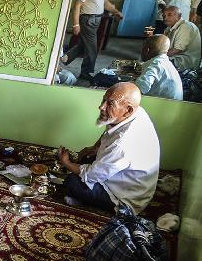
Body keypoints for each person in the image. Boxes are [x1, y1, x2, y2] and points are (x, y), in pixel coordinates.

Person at [56, 82, 160, 214]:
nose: (101, 107)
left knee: (71, 181)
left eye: (110, 103)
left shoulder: (123, 142)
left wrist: (66, 163)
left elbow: (92, 175)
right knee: (85, 157)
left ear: (128, 110)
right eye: (103, 100)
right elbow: (109, 129)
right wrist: (93, 148)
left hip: (124, 199)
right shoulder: (134, 112)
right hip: (123, 175)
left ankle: (87, 202)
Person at [63, 0, 123, 80]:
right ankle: (86, 73)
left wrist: (116, 11)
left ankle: (64, 58)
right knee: (92, 48)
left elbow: (105, 3)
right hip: (87, 21)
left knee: (83, 45)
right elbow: (77, 6)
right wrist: (76, 24)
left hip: (96, 20)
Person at [135, 34, 183, 101]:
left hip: (161, 107)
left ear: (147, 50)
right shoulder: (166, 63)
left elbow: (140, 88)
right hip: (173, 105)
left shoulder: (156, 64)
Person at [160, 5, 201, 71]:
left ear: (179, 16)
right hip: (175, 57)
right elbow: (162, 45)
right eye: (163, 16)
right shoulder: (168, 28)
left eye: (169, 15)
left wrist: (158, 56)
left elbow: (177, 50)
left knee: (157, 63)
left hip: (186, 62)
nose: (165, 18)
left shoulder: (186, 26)